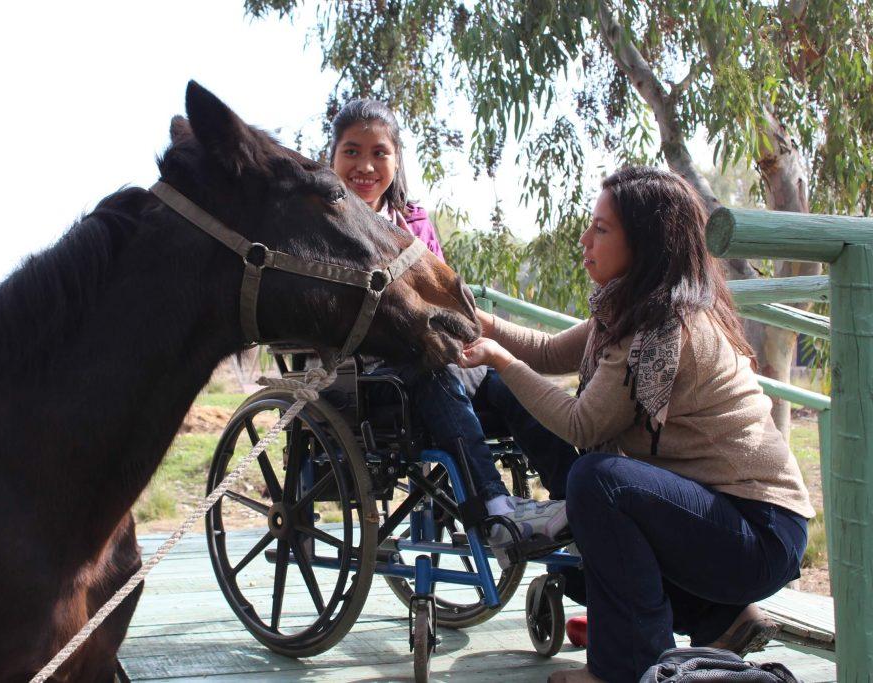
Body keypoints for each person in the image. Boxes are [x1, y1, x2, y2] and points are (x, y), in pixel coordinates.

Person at [459, 166, 814, 683]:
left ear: (646, 242)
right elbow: (552, 349)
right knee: (599, 497)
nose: (585, 240)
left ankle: (627, 667)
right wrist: (488, 326)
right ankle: (719, 620)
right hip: (743, 524)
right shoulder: (639, 306)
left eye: (601, 229)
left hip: (758, 534)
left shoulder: (660, 326)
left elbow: (581, 425)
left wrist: (500, 362)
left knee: (598, 481)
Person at [328, 99, 574, 541]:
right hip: (368, 379)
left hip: (440, 362)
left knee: (509, 381)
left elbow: (441, 299)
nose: (365, 165)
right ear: (333, 157)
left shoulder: (413, 224)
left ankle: (580, 500)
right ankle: (495, 510)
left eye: (379, 152)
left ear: (396, 160)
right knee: (434, 370)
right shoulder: (322, 226)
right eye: (351, 151)